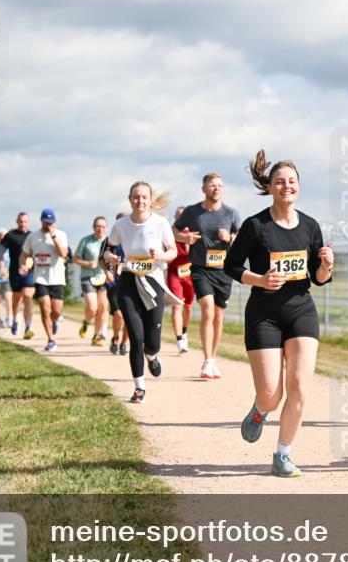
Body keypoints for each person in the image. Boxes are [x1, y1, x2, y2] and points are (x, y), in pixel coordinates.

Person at [224, 150, 333, 478]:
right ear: (269, 187)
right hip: (264, 315)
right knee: (272, 395)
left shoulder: (310, 226)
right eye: (280, 182)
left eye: (292, 181)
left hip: (301, 311)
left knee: (299, 387)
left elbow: (318, 277)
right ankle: (261, 411)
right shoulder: (255, 226)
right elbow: (231, 265)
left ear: (299, 186)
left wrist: (327, 266)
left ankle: (283, 453)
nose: (287, 186)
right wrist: (259, 280)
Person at [103, 183, 178, 403]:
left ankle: (152, 355)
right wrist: (111, 258)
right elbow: (108, 249)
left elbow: (172, 251)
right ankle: (139, 388)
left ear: (150, 199)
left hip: (153, 281)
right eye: (136, 197)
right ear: (130, 199)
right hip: (128, 280)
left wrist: (160, 256)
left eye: (144, 197)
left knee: (152, 342)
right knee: (136, 338)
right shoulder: (121, 224)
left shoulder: (160, 223)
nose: (140, 201)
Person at [175, 173, 243, 378]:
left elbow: (241, 239)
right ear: (203, 189)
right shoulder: (192, 212)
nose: (217, 188)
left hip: (223, 270)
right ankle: (206, 361)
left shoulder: (231, 213)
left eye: (220, 185)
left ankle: (213, 359)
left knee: (218, 318)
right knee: (208, 310)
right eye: (212, 185)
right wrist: (185, 238)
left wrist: (229, 238)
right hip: (200, 268)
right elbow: (174, 231)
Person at [19, 209, 69, 352]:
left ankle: (54, 321)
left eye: (51, 223)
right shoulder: (33, 237)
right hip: (40, 277)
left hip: (57, 278)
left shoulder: (61, 235)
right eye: (46, 222)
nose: (48, 225)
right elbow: (24, 255)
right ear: (41, 221)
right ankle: (50, 340)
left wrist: (53, 236)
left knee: (57, 311)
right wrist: (23, 265)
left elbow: (63, 253)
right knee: (44, 307)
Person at [75, 216, 110, 346]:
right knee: (92, 307)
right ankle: (86, 322)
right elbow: (75, 259)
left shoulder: (109, 243)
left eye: (103, 227)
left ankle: (97, 336)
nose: (100, 229)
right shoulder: (86, 241)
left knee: (103, 307)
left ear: (106, 228)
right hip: (88, 277)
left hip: (103, 278)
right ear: (93, 227)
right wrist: (88, 264)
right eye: (98, 226)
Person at [2, 212, 37, 339]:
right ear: (17, 222)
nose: (23, 224)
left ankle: (28, 327)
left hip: (30, 272)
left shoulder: (33, 236)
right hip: (14, 272)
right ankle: (15, 319)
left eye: (25, 221)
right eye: (21, 221)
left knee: (27, 296)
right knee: (16, 299)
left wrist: (29, 265)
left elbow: (36, 253)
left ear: (28, 222)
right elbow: (0, 250)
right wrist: (1, 266)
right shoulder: (11, 235)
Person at [166, 206, 195, 354]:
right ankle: (179, 340)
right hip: (174, 273)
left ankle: (184, 332)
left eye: (183, 215)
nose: (181, 218)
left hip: (189, 274)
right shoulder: (169, 233)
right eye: (178, 215)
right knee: (177, 305)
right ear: (175, 217)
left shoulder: (193, 233)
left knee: (188, 306)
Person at [101, 212, 130, 356]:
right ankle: (116, 338)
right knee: (118, 314)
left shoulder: (133, 239)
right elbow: (101, 258)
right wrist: (107, 272)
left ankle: (124, 343)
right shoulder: (109, 240)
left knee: (129, 316)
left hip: (131, 281)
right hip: (114, 283)